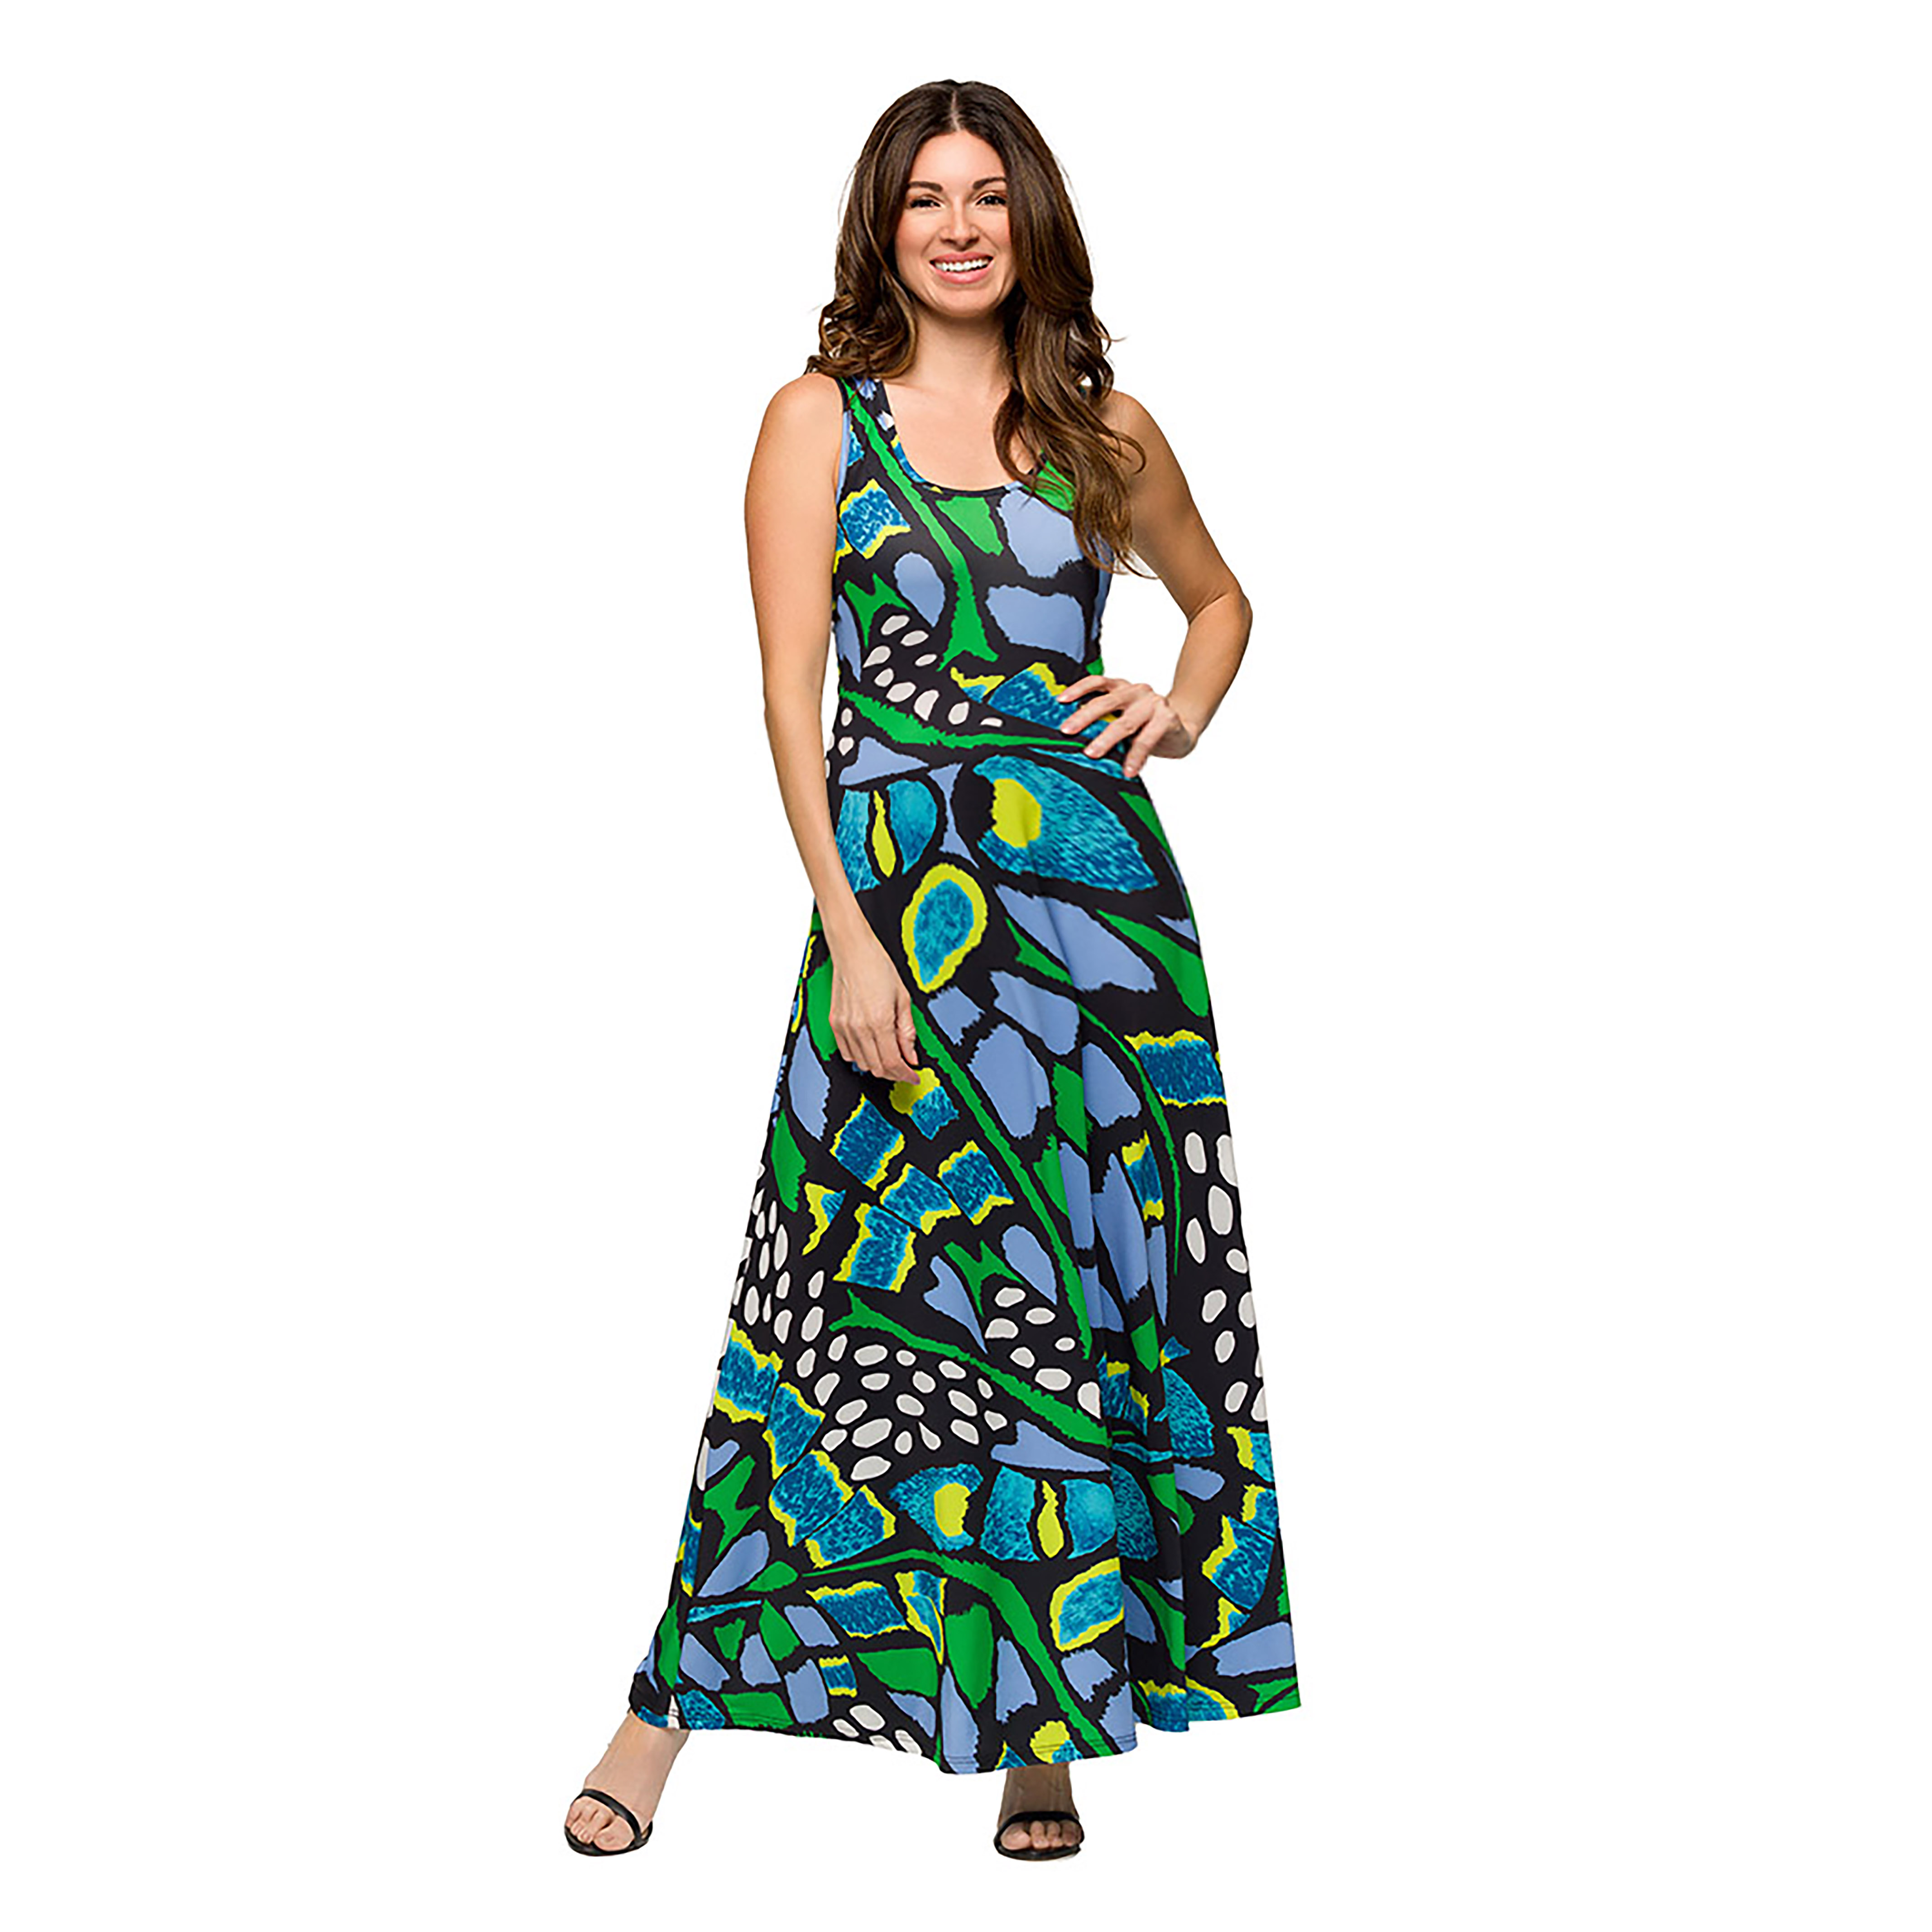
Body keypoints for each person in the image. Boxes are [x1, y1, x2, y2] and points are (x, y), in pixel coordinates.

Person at [565, 77, 1299, 1865]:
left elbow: (1220, 601)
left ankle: (1043, 1732)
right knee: (820, 1310)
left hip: (1100, 946)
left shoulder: (1101, 429)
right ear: (880, 230)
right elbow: (789, 698)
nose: (958, 227)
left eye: (985, 195)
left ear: (1030, 220)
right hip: (898, 922)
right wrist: (845, 926)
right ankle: (657, 1715)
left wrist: (1178, 707)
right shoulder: (816, 419)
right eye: (924, 200)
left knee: (1078, 1321)